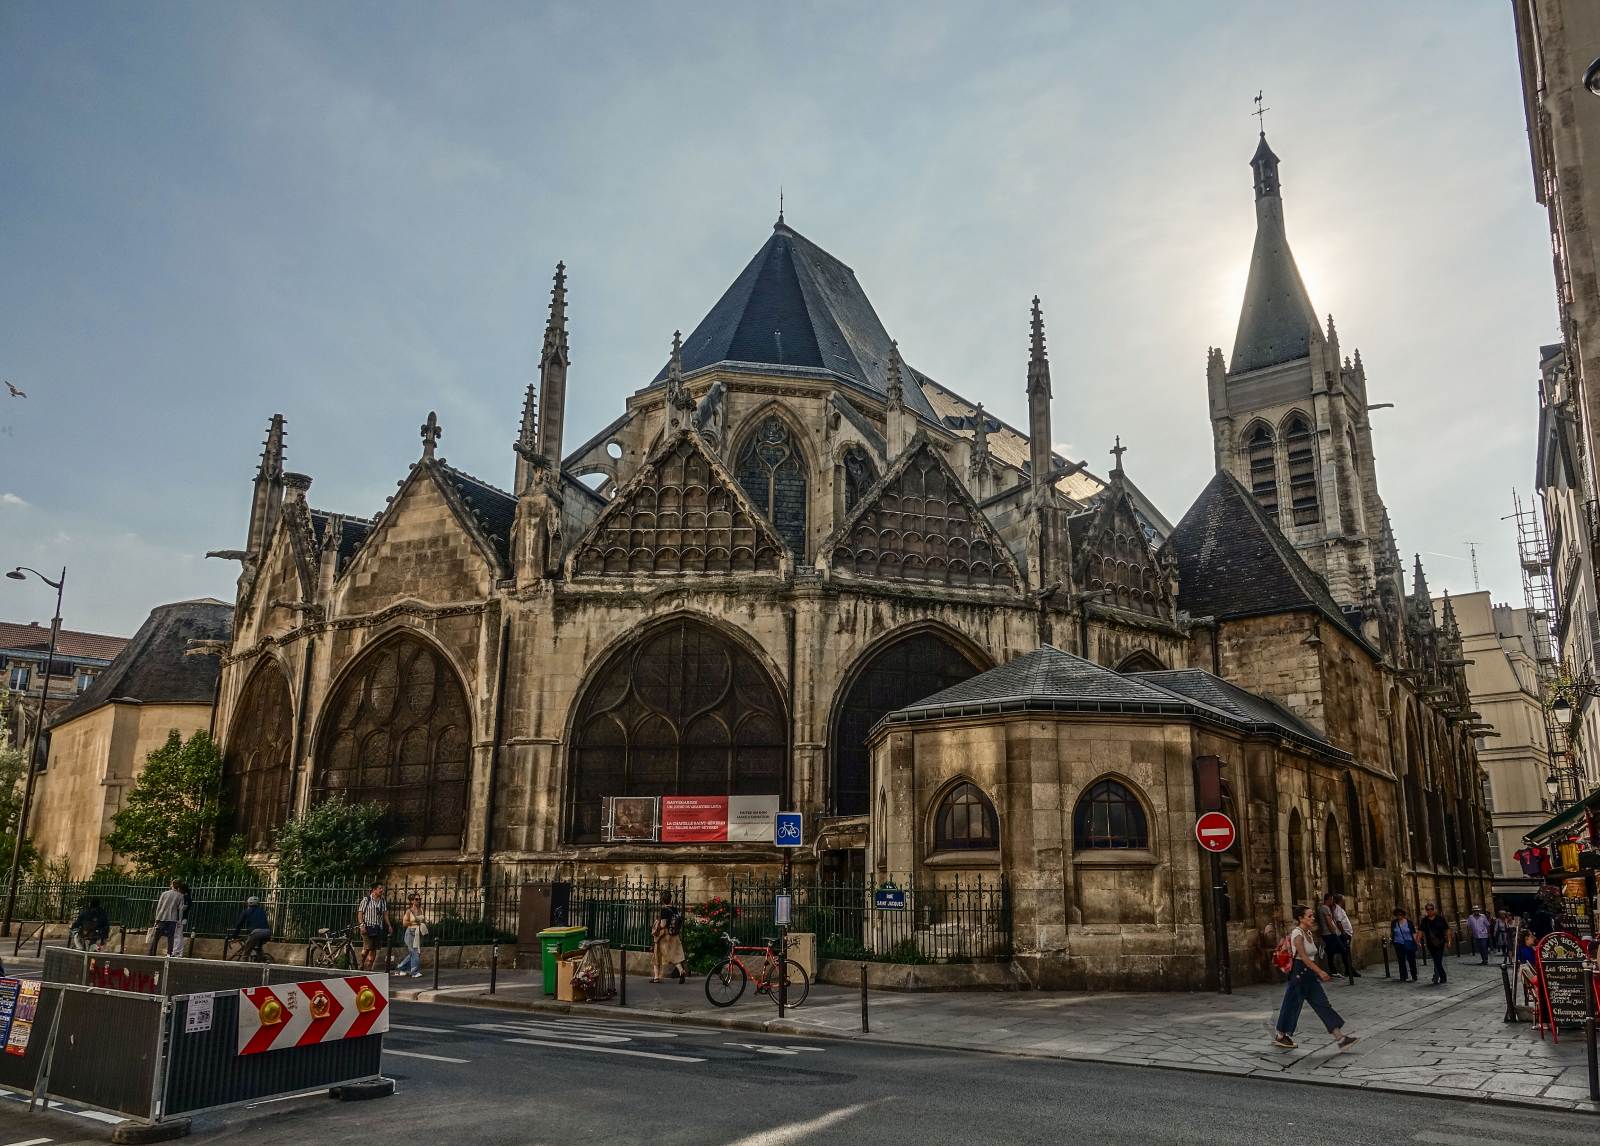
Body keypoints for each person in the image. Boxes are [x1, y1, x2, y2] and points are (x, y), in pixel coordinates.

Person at [1273, 904, 1358, 1051]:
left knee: (1322, 1004)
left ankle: (1341, 1039)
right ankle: (1281, 1035)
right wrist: (1320, 971)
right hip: (1299, 973)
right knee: (1292, 1004)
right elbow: (1304, 957)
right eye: (1309, 916)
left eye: (1313, 915)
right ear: (1300, 918)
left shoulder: (1309, 933)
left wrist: (1316, 972)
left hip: (1309, 974)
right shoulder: (1297, 933)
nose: (1313, 918)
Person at [651, 891, 686, 984]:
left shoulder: (664, 910)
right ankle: (681, 971)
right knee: (674, 956)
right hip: (674, 935)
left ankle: (656, 977)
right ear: (670, 899)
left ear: (662, 900)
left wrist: (657, 924)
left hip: (665, 936)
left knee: (657, 955)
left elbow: (663, 924)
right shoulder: (675, 909)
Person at [147, 879, 185, 956]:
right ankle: (169, 953)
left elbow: (159, 906)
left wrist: (157, 918)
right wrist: (179, 920)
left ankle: (152, 952)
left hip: (162, 917)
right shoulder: (180, 896)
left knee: (156, 937)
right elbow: (181, 909)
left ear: (172, 885)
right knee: (171, 938)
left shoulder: (164, 894)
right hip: (172, 919)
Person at [356, 883, 390, 971]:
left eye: (382, 888)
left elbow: (385, 914)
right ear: (374, 890)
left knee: (374, 949)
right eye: (380, 888)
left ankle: (369, 969)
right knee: (367, 948)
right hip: (368, 927)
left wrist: (389, 925)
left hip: (378, 928)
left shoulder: (382, 901)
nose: (382, 890)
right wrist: (361, 925)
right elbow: (360, 913)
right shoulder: (366, 900)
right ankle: (361, 964)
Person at [229, 896, 272, 961]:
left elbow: (239, 924)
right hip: (267, 932)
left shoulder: (246, 911)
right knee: (258, 947)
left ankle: (244, 962)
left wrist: (234, 936)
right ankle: (263, 959)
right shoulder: (262, 911)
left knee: (247, 949)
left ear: (248, 903)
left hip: (256, 933)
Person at [1417, 902, 1451, 984]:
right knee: (1436, 961)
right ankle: (1437, 976)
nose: (1430, 911)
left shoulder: (1440, 918)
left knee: (1437, 961)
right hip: (1430, 944)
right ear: (1426, 910)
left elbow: (1447, 930)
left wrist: (1449, 941)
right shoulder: (1424, 920)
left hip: (1440, 943)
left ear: (1434, 909)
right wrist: (1418, 941)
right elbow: (1420, 931)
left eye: (1431, 909)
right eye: (1428, 909)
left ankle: (1442, 977)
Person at [396, 895, 427, 978]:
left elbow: (423, 920)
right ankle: (414, 972)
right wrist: (414, 923)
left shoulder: (421, 910)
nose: (418, 901)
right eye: (416, 899)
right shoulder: (409, 911)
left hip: (418, 933)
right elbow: (404, 923)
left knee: (414, 953)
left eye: (419, 899)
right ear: (412, 901)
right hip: (410, 933)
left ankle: (401, 967)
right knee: (415, 952)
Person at [1332, 894, 1360, 977]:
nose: (1345, 901)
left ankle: (1349, 970)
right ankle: (1350, 970)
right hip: (1344, 934)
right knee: (1346, 953)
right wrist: (1343, 933)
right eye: (1343, 899)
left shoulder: (1340, 909)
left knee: (1346, 952)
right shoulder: (1337, 910)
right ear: (1340, 900)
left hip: (1347, 934)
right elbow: (1338, 922)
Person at [1391, 907, 1419, 983]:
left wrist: (1417, 942)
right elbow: (1393, 932)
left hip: (1409, 943)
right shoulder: (1394, 923)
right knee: (1401, 961)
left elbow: (1413, 933)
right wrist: (1393, 941)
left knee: (1411, 961)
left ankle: (1414, 976)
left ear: (1403, 915)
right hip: (1398, 943)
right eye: (1397, 915)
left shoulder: (1409, 922)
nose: (1398, 916)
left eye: (1400, 914)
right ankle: (1403, 976)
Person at [1316, 893, 1341, 975]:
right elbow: (1329, 922)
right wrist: (1334, 932)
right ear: (1329, 899)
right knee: (1341, 950)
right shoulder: (1325, 908)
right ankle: (1334, 970)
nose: (1332, 901)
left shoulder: (1322, 908)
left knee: (1331, 953)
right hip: (1329, 933)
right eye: (1332, 899)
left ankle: (1333, 971)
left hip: (1326, 933)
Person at [171, 880, 192, 957]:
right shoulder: (184, 896)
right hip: (179, 918)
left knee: (178, 935)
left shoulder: (186, 897)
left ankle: (178, 951)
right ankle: (176, 950)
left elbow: (184, 908)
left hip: (182, 918)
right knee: (177, 935)